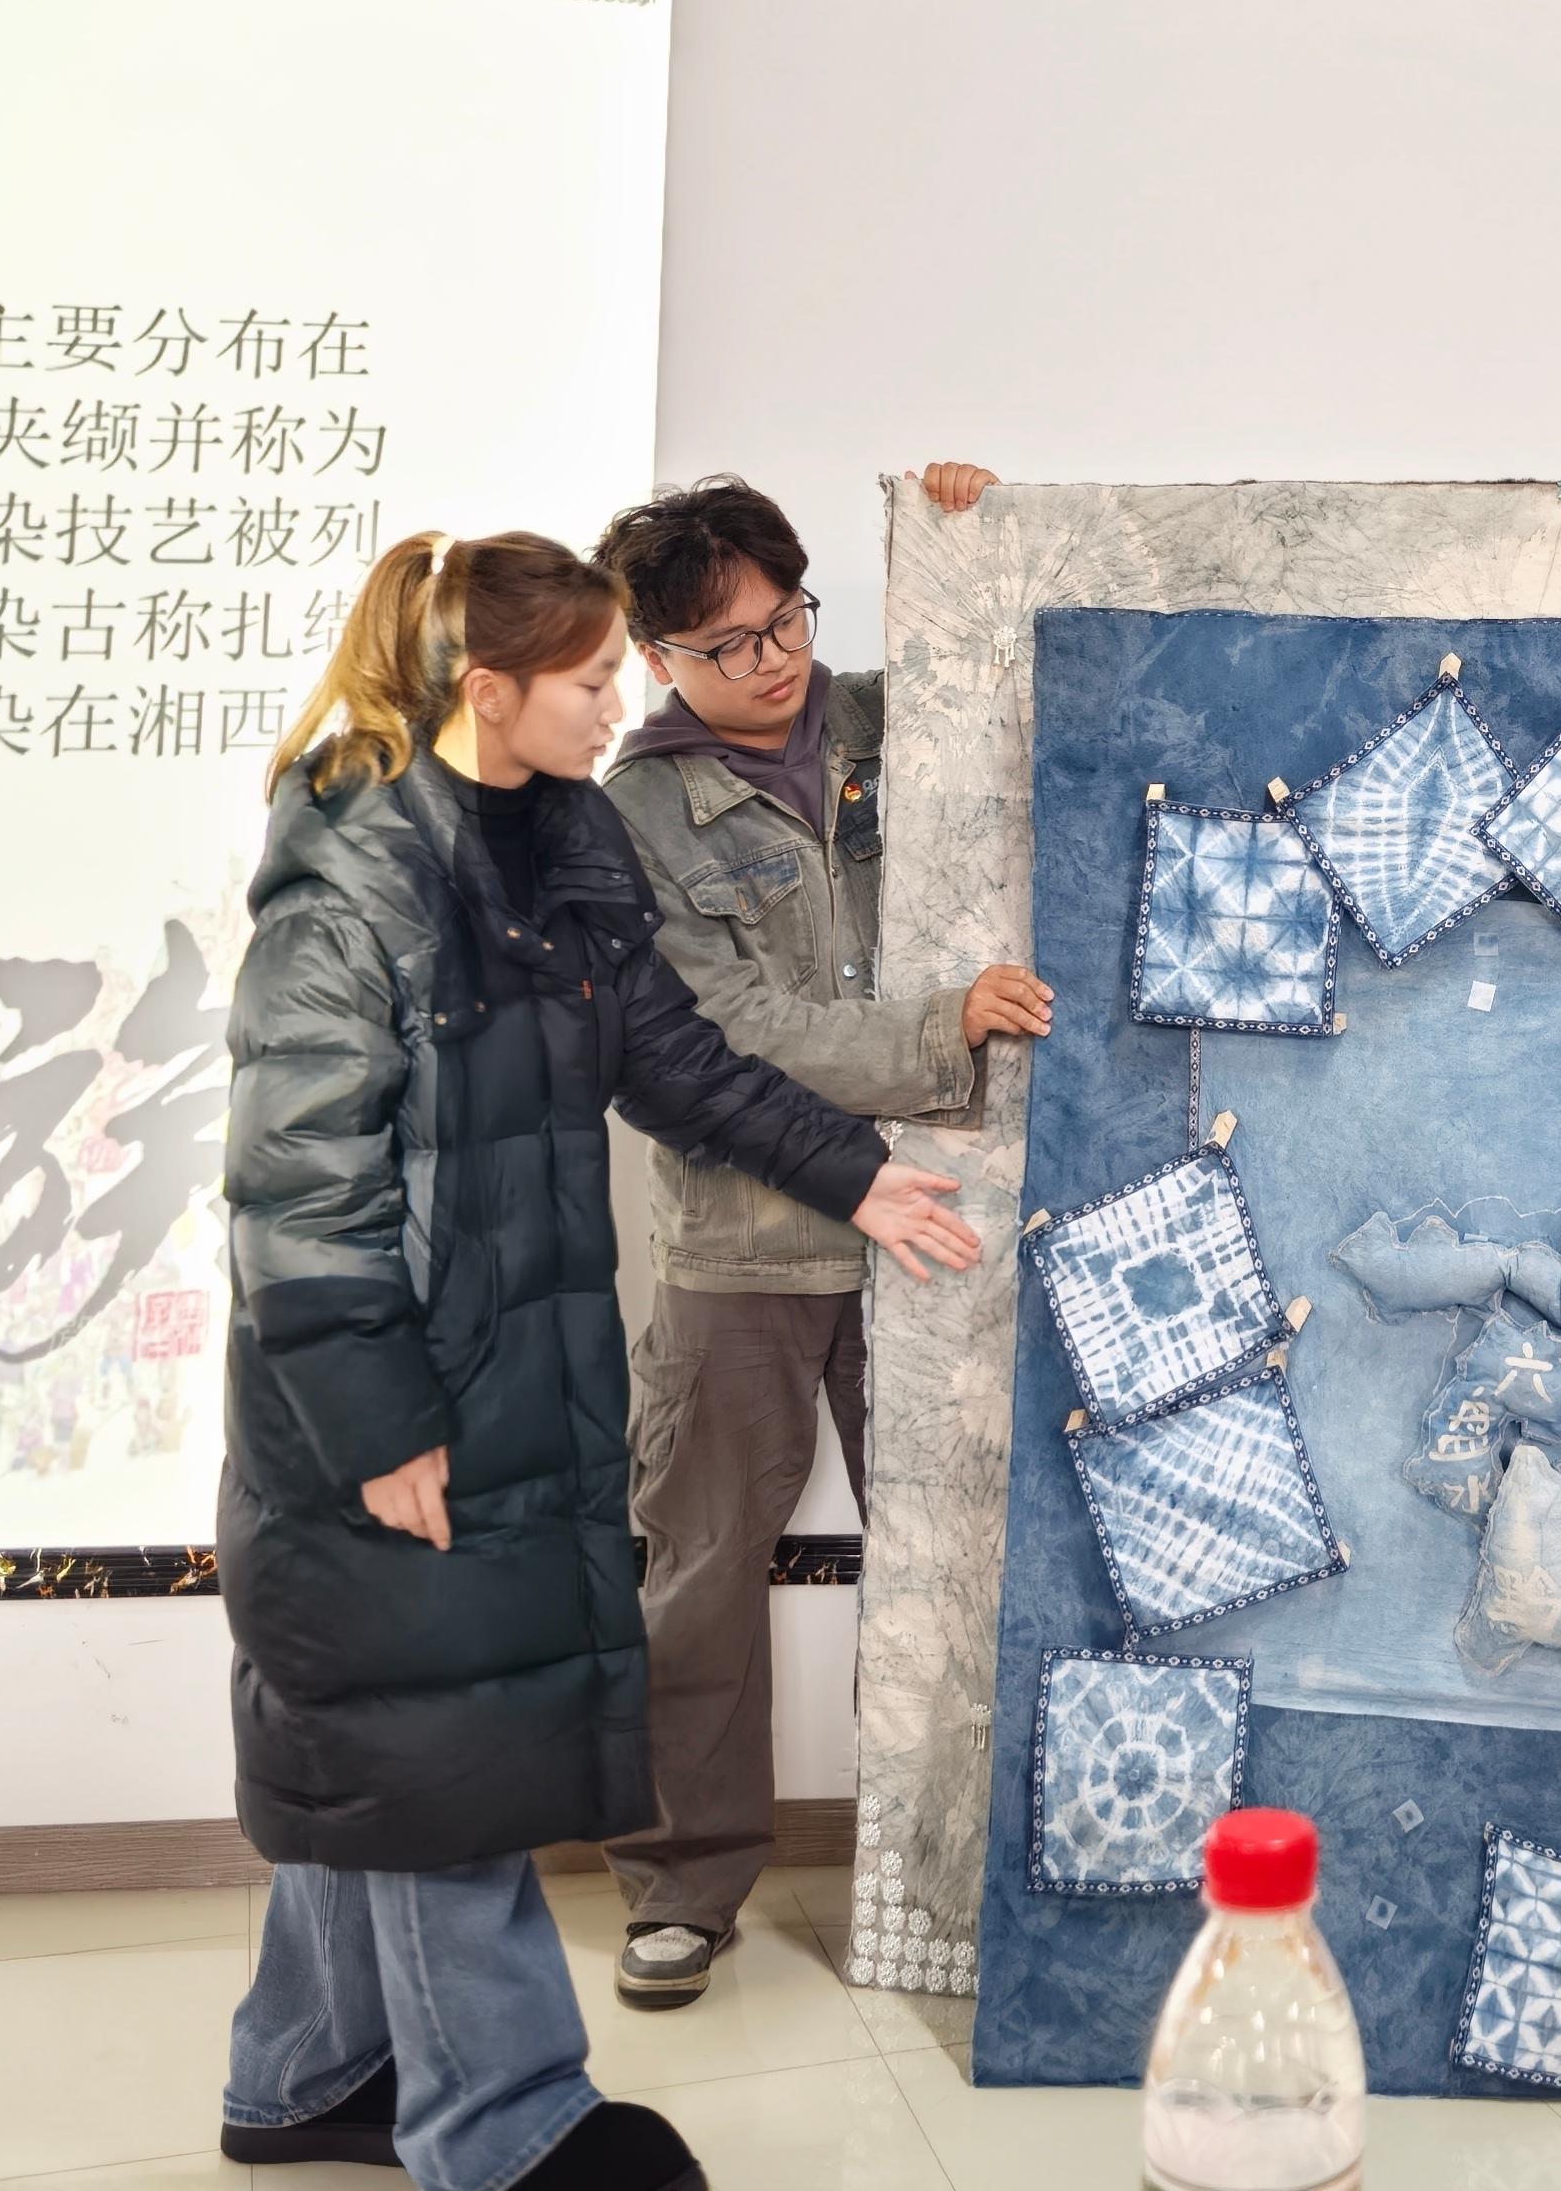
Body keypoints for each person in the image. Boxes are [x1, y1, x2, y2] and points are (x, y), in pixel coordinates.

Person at [211, 530, 983, 2189]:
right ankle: (505, 2128)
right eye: (586, 678)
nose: (621, 700)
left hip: (509, 1366)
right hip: (388, 1394)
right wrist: (373, 1422)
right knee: (441, 1753)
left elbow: (675, 1058)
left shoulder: (562, 841)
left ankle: (303, 2075)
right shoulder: (352, 885)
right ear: (487, 693)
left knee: (374, 1728)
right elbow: (296, 1187)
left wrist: (855, 1173)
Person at [585, 467, 1055, 2007]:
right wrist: (939, 1030)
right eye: (727, 645)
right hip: (743, 1245)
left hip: (930, 1224)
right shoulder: (635, 816)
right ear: (658, 655)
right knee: (702, 1573)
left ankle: (941, 1882)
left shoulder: (885, 722)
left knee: (950, 1554)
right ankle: (683, 1887)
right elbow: (733, 1030)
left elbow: (1024, 661)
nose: (772, 660)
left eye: (785, 619)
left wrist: (977, 528)